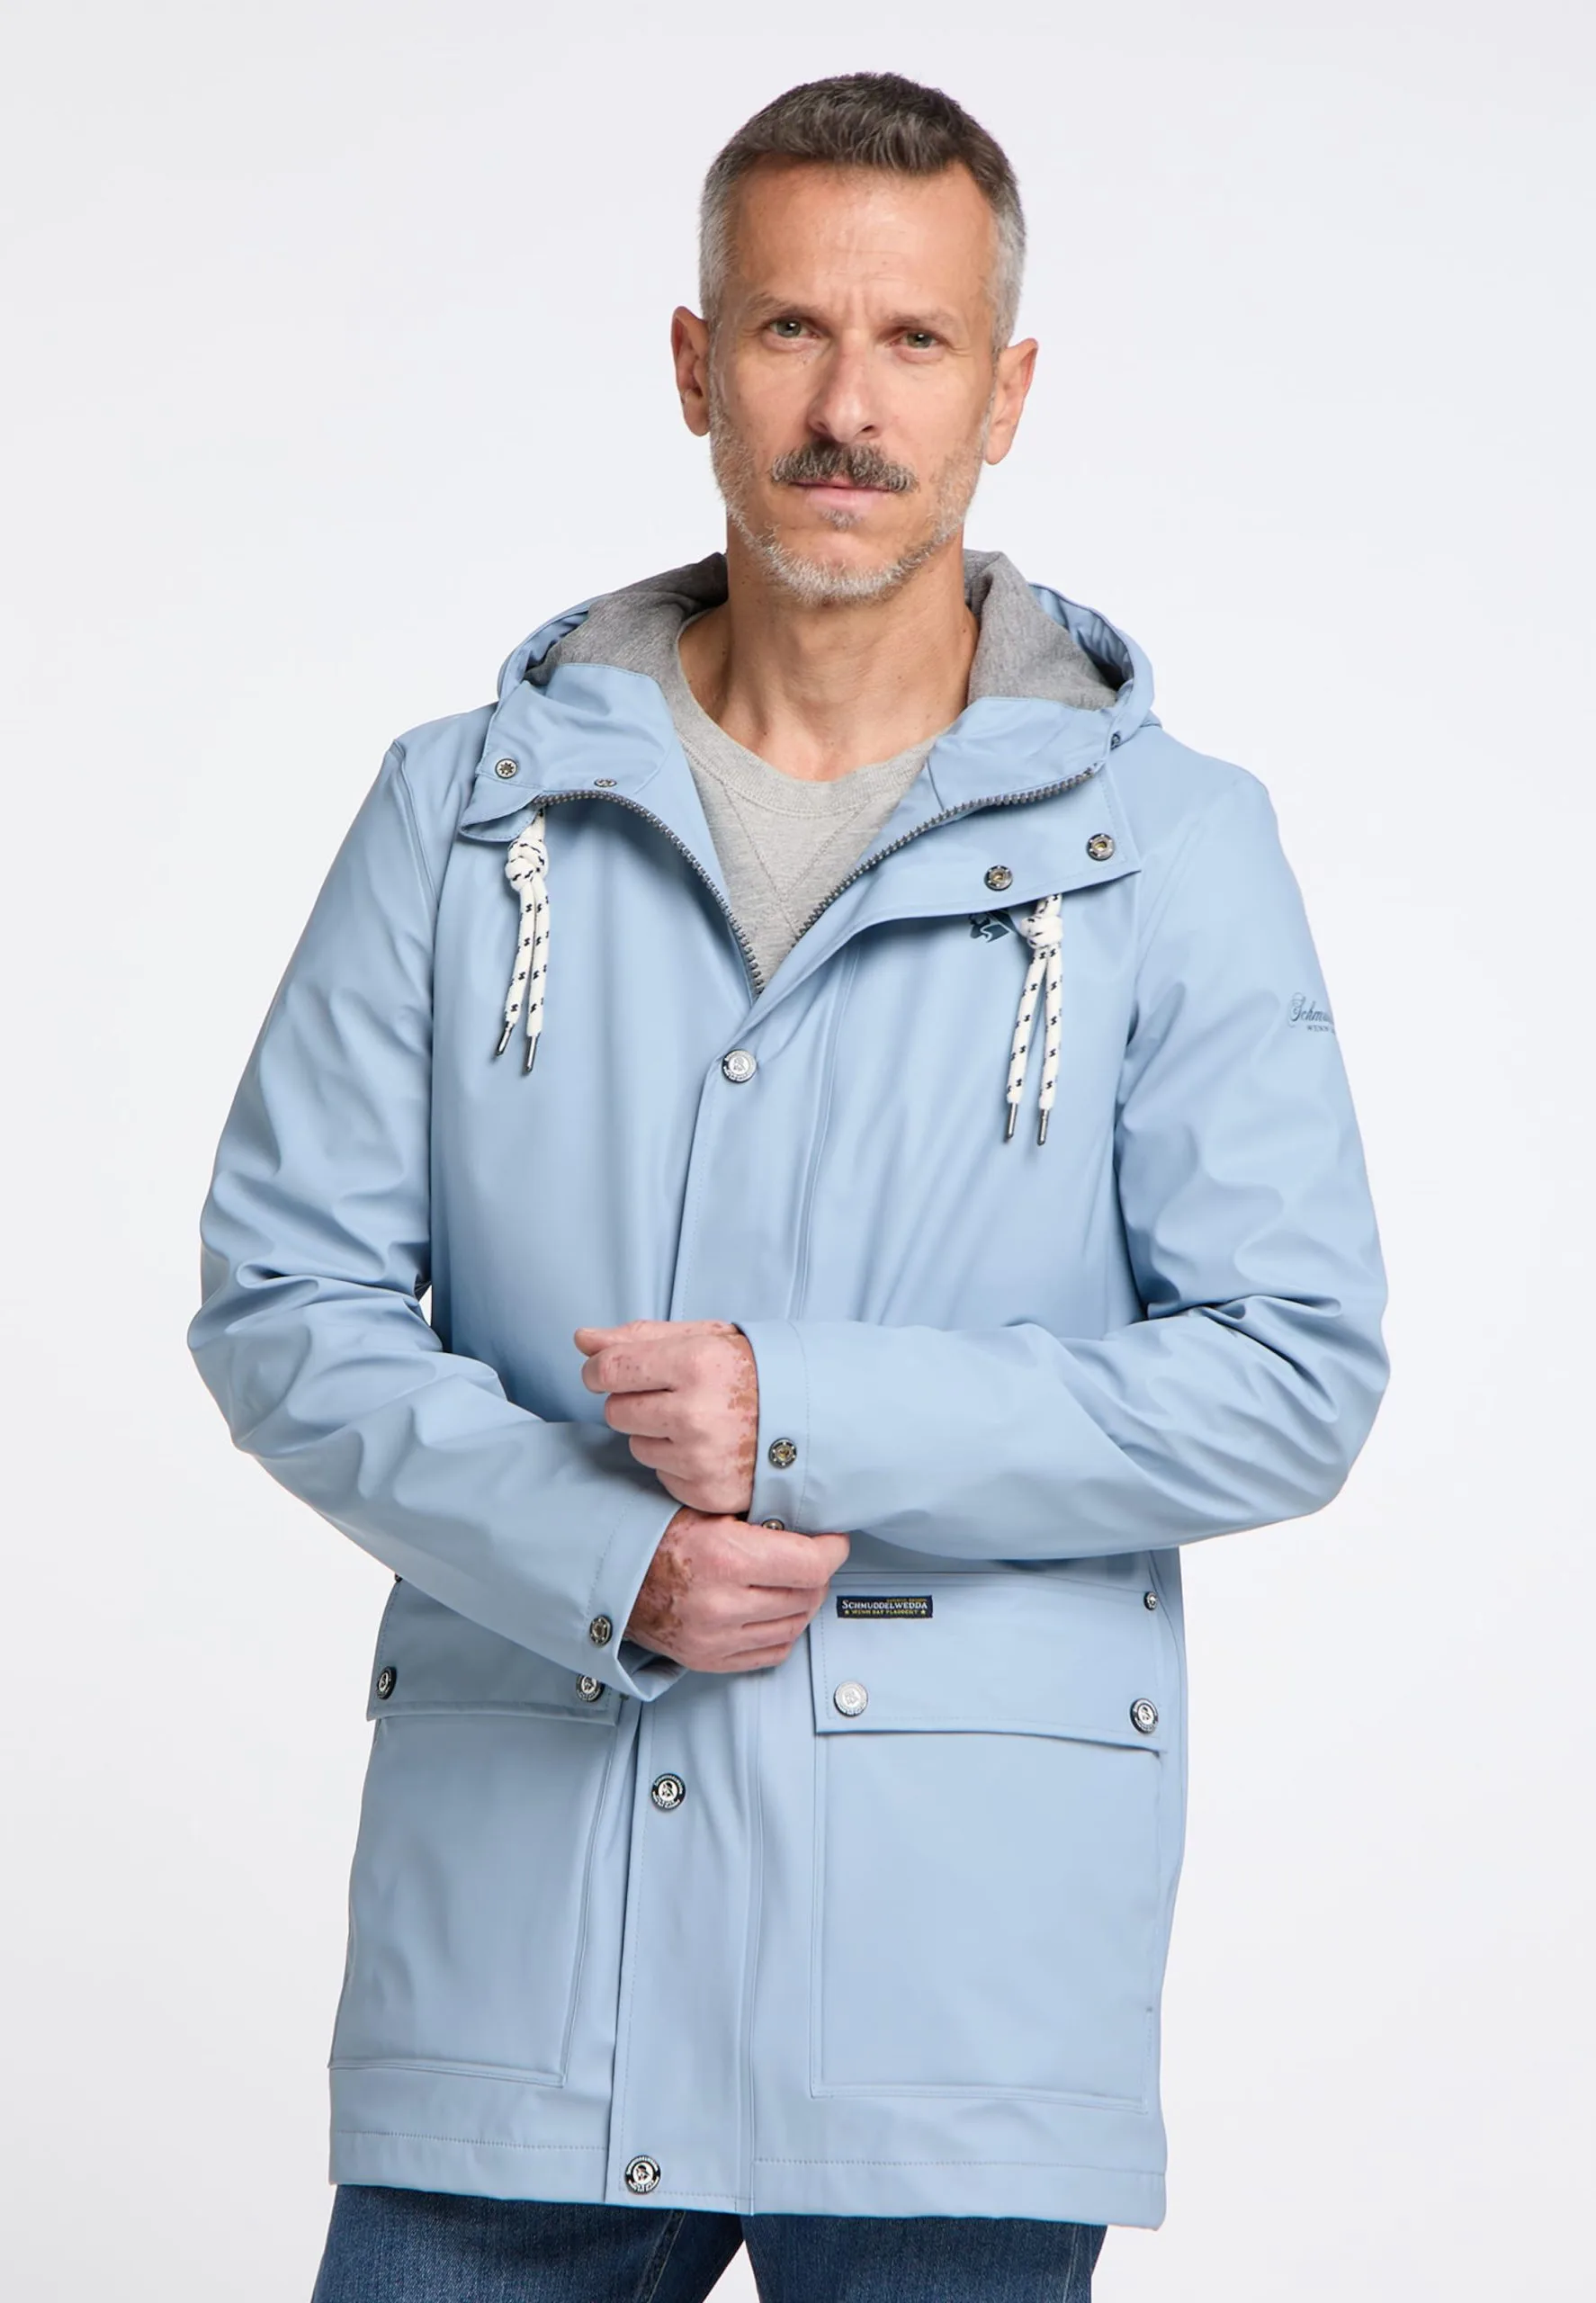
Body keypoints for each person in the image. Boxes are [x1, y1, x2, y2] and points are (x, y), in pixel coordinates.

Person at [187, 69, 1389, 2303]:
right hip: (523, 1960)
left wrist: (803, 1410)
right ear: (691, 362)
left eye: (914, 340)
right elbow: (283, 1297)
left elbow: (1288, 1369)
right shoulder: (460, 811)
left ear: (1002, 392)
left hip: (950, 1988)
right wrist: (606, 1551)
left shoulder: (1168, 843)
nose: (848, 408)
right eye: (787, 331)